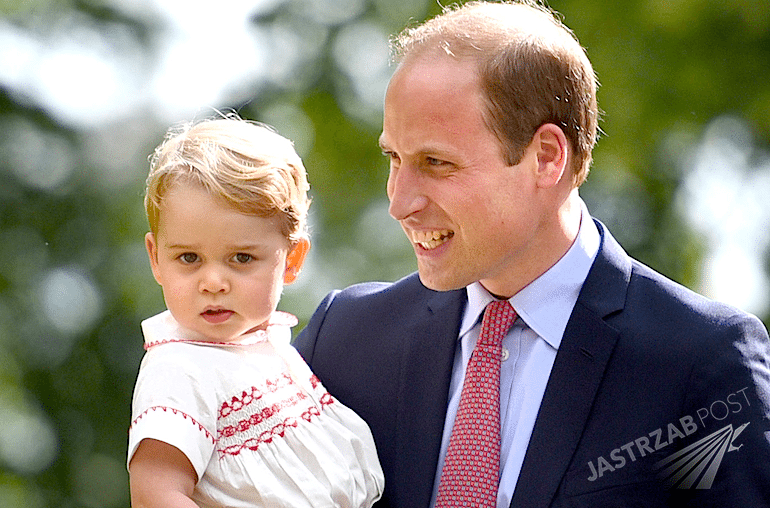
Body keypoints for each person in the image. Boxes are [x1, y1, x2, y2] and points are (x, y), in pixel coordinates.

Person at [293, 1, 770, 507]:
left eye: (436, 163)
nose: (399, 202)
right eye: (394, 158)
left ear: (546, 157)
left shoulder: (700, 362)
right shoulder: (345, 342)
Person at [127, 116, 384, 508]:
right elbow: (156, 494)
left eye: (241, 258)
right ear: (156, 258)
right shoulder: (178, 367)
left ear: (292, 259)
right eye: (189, 257)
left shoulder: (268, 350)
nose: (213, 282)